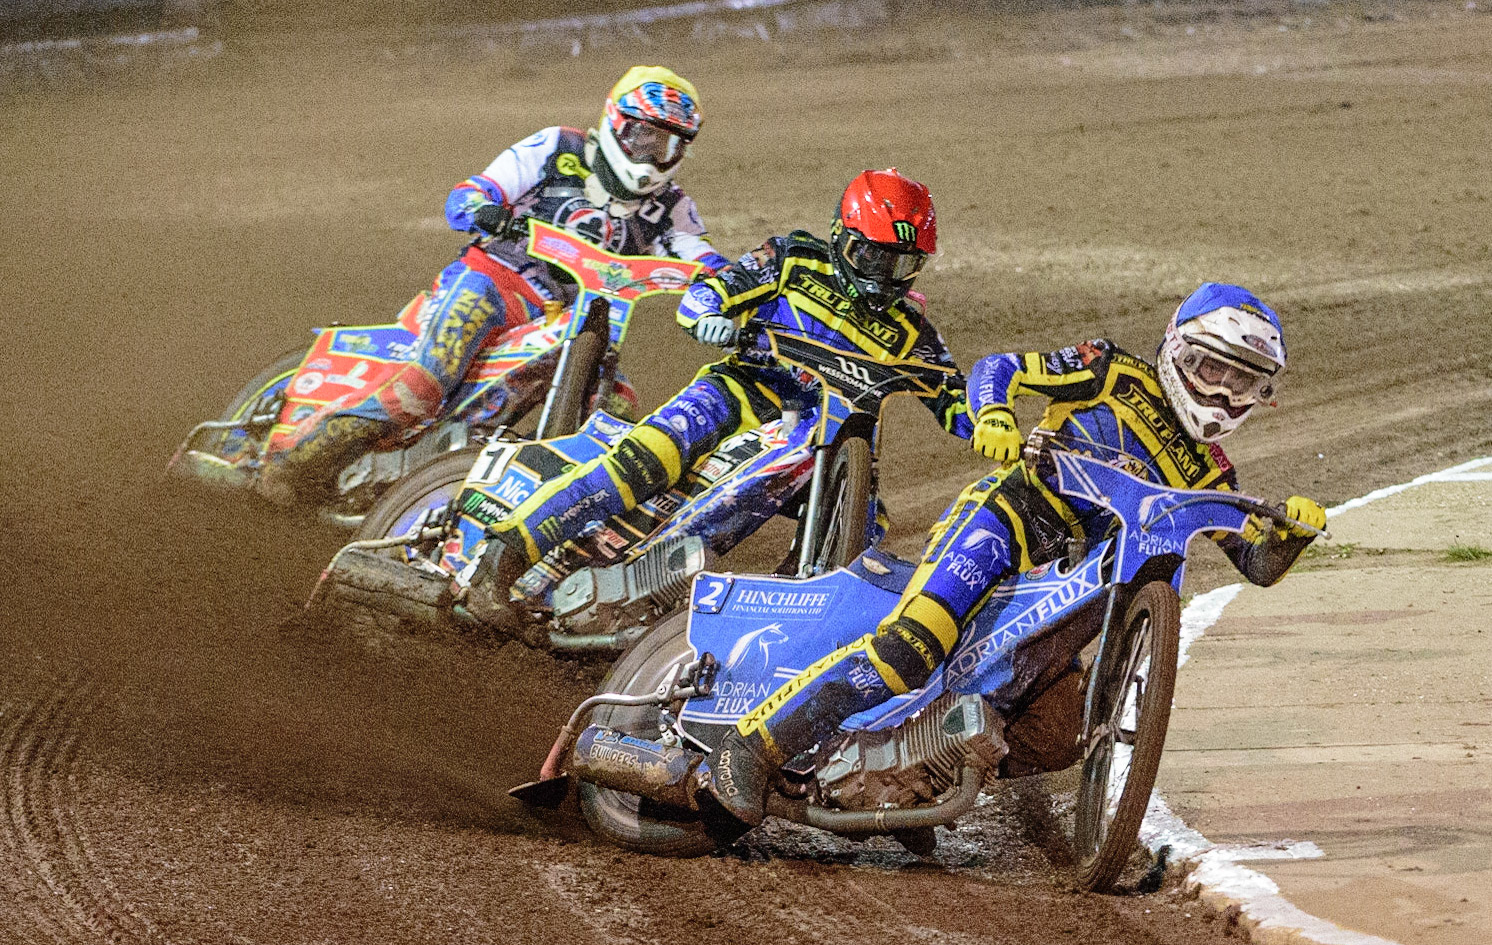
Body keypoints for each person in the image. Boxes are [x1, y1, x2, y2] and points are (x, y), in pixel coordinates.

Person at [699, 281, 1329, 835]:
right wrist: (994, 412)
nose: (1220, 393)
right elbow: (1001, 366)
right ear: (1174, 351)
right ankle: (752, 747)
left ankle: (915, 776)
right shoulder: (1110, 371)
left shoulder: (1211, 474)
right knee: (913, 646)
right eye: (1208, 368)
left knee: (1060, 734)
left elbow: (1258, 564)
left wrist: (1292, 534)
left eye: (1241, 381)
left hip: (1066, 589)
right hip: (1005, 523)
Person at [468, 168, 973, 622]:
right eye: (872, 257)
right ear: (842, 239)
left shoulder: (913, 330)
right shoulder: (793, 258)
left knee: (867, 527)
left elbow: (957, 400)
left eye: (901, 264)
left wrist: (994, 423)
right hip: (739, 389)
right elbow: (710, 292)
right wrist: (710, 319)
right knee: (649, 459)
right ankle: (497, 565)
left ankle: (779, 622)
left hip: (820, 436)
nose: (881, 278)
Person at [258, 66, 729, 505]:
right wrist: (486, 210)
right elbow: (467, 195)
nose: (651, 154)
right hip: (493, 282)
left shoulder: (671, 207)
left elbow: (704, 260)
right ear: (614, 122)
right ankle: (288, 465)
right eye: (643, 134)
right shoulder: (557, 148)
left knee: (618, 410)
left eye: (667, 145)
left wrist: (736, 289)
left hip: (573, 315)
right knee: (422, 386)